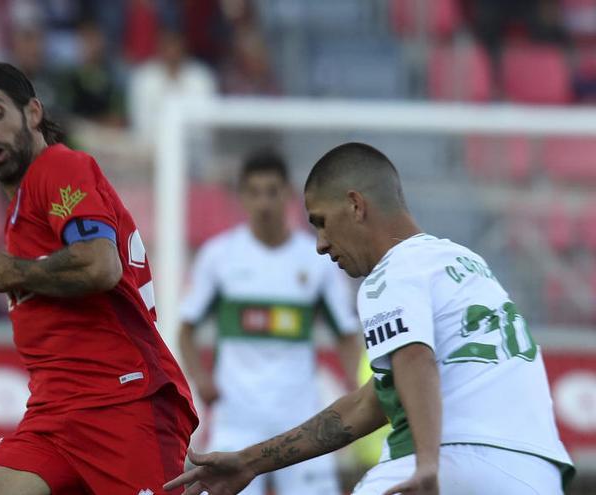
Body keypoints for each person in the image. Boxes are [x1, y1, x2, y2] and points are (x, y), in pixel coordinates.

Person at [165, 142, 574, 495]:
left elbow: (415, 357)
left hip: (452, 461)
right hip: (538, 472)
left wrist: (427, 463)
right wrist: (250, 462)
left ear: (356, 205)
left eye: (322, 222)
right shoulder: (466, 263)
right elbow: (369, 402)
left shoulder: (390, 274)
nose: (321, 244)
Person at [0, 62, 198, 495]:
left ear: (32, 112)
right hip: (57, 408)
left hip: (119, 401)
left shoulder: (59, 169)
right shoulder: (23, 204)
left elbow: (100, 266)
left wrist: (16, 272)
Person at [177, 149, 360, 495]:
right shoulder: (219, 257)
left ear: (288, 195)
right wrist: (200, 380)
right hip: (237, 418)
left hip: (302, 421)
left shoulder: (317, 258)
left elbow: (347, 334)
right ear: (242, 197)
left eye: (272, 191)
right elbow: (185, 329)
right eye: (254, 192)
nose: (264, 202)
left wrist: (353, 387)